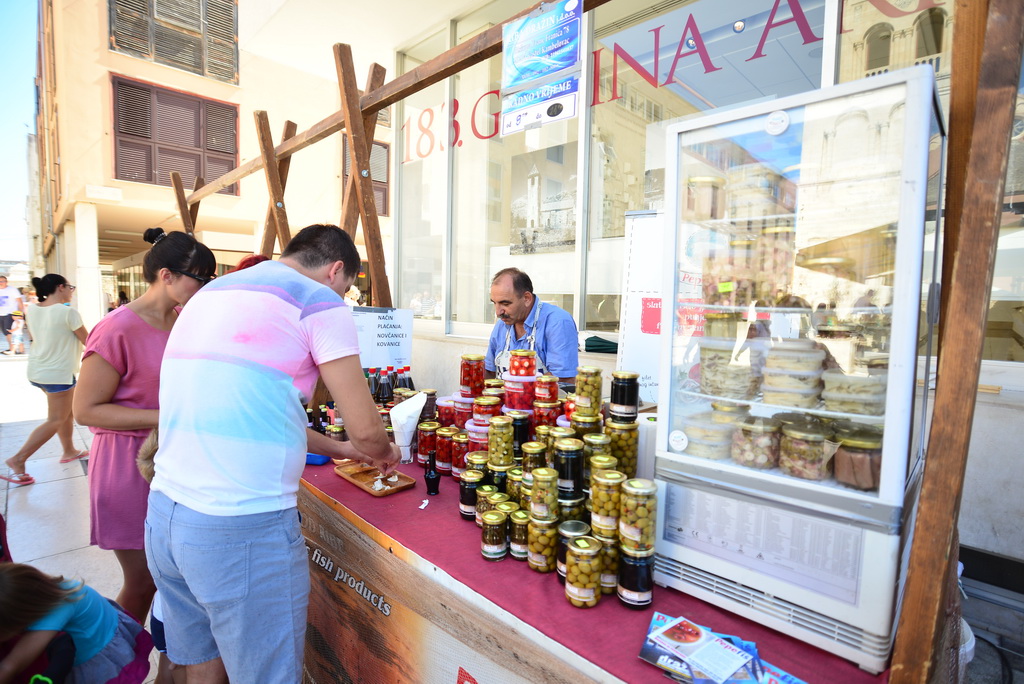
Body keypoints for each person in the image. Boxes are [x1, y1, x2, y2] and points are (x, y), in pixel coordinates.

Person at [146, 224, 400, 683]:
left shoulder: (212, 291)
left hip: (166, 515)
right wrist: (385, 450)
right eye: (347, 288)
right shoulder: (319, 301)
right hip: (238, 528)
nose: (344, 295)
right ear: (336, 270)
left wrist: (342, 448)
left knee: (203, 660)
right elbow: (367, 431)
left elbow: (261, 415)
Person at [73, 227, 216, 626]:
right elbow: (85, 410)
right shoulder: (117, 328)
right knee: (142, 582)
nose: (205, 286)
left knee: (172, 579)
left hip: (171, 461)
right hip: (128, 465)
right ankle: (116, 658)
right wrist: (169, 417)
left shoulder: (184, 320)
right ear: (166, 275)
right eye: (200, 277)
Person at [0, 563, 153, 684]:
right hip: (102, 632)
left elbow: (12, 665)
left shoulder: (55, 611)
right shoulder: (42, 590)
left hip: (97, 658)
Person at [2, 274, 89, 487]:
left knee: (66, 413)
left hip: (37, 370)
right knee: (56, 418)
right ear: (61, 287)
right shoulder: (68, 312)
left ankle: (69, 450)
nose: (71, 291)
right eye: (71, 287)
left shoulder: (33, 309)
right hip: (58, 373)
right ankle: (18, 459)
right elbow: (90, 341)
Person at [485, 267, 579, 383]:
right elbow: (489, 371)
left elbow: (563, 378)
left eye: (505, 303)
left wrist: (518, 392)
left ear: (527, 298)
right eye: (494, 303)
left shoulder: (558, 322)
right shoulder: (502, 324)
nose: (498, 312)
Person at [0, 275, 24, 355]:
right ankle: (12, 347)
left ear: (6, 282)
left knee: (9, 331)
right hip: (1, 313)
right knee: (5, 332)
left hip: (11, 313)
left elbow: (20, 301)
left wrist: (21, 313)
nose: (1, 283)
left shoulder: (12, 290)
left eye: (2, 281)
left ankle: (13, 348)